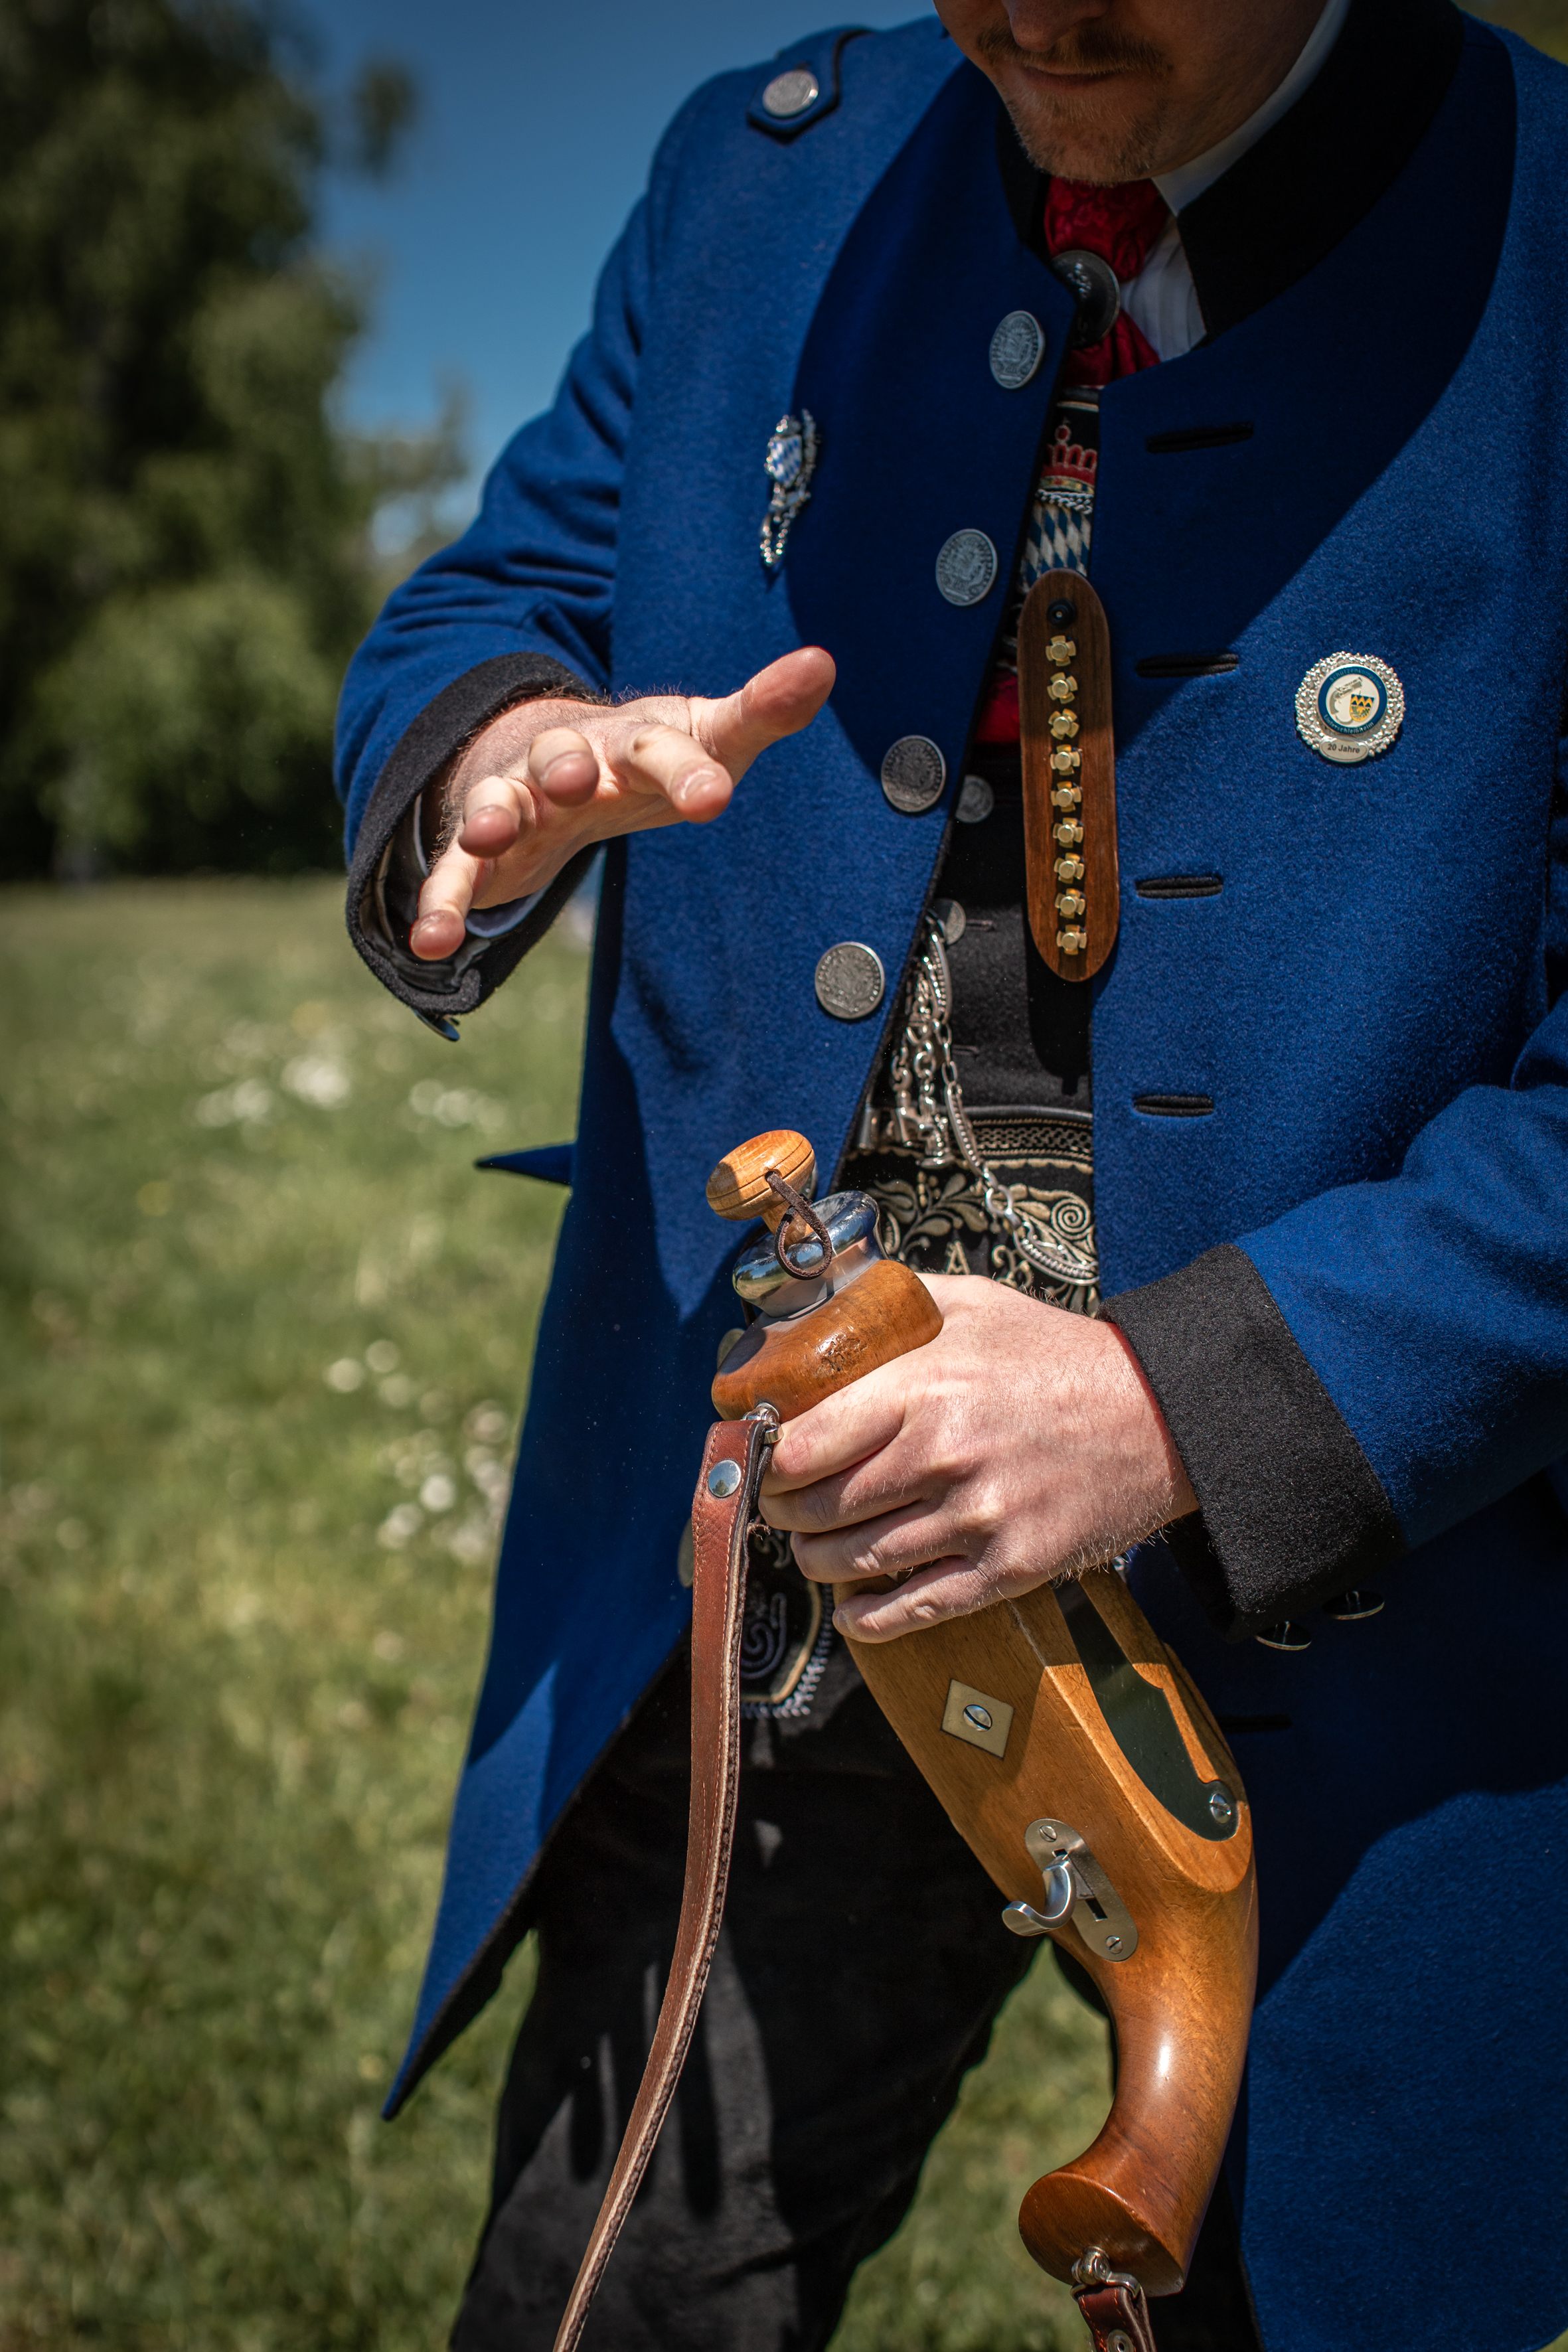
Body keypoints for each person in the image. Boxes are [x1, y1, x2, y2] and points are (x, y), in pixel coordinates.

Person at [335, 0, 1568, 2345]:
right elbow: (499, 594)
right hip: (803, 1523)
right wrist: (507, 735)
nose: (1032, 18)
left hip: (1385, 1604)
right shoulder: (759, 173)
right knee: (625, 2294)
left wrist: (1177, 1411)